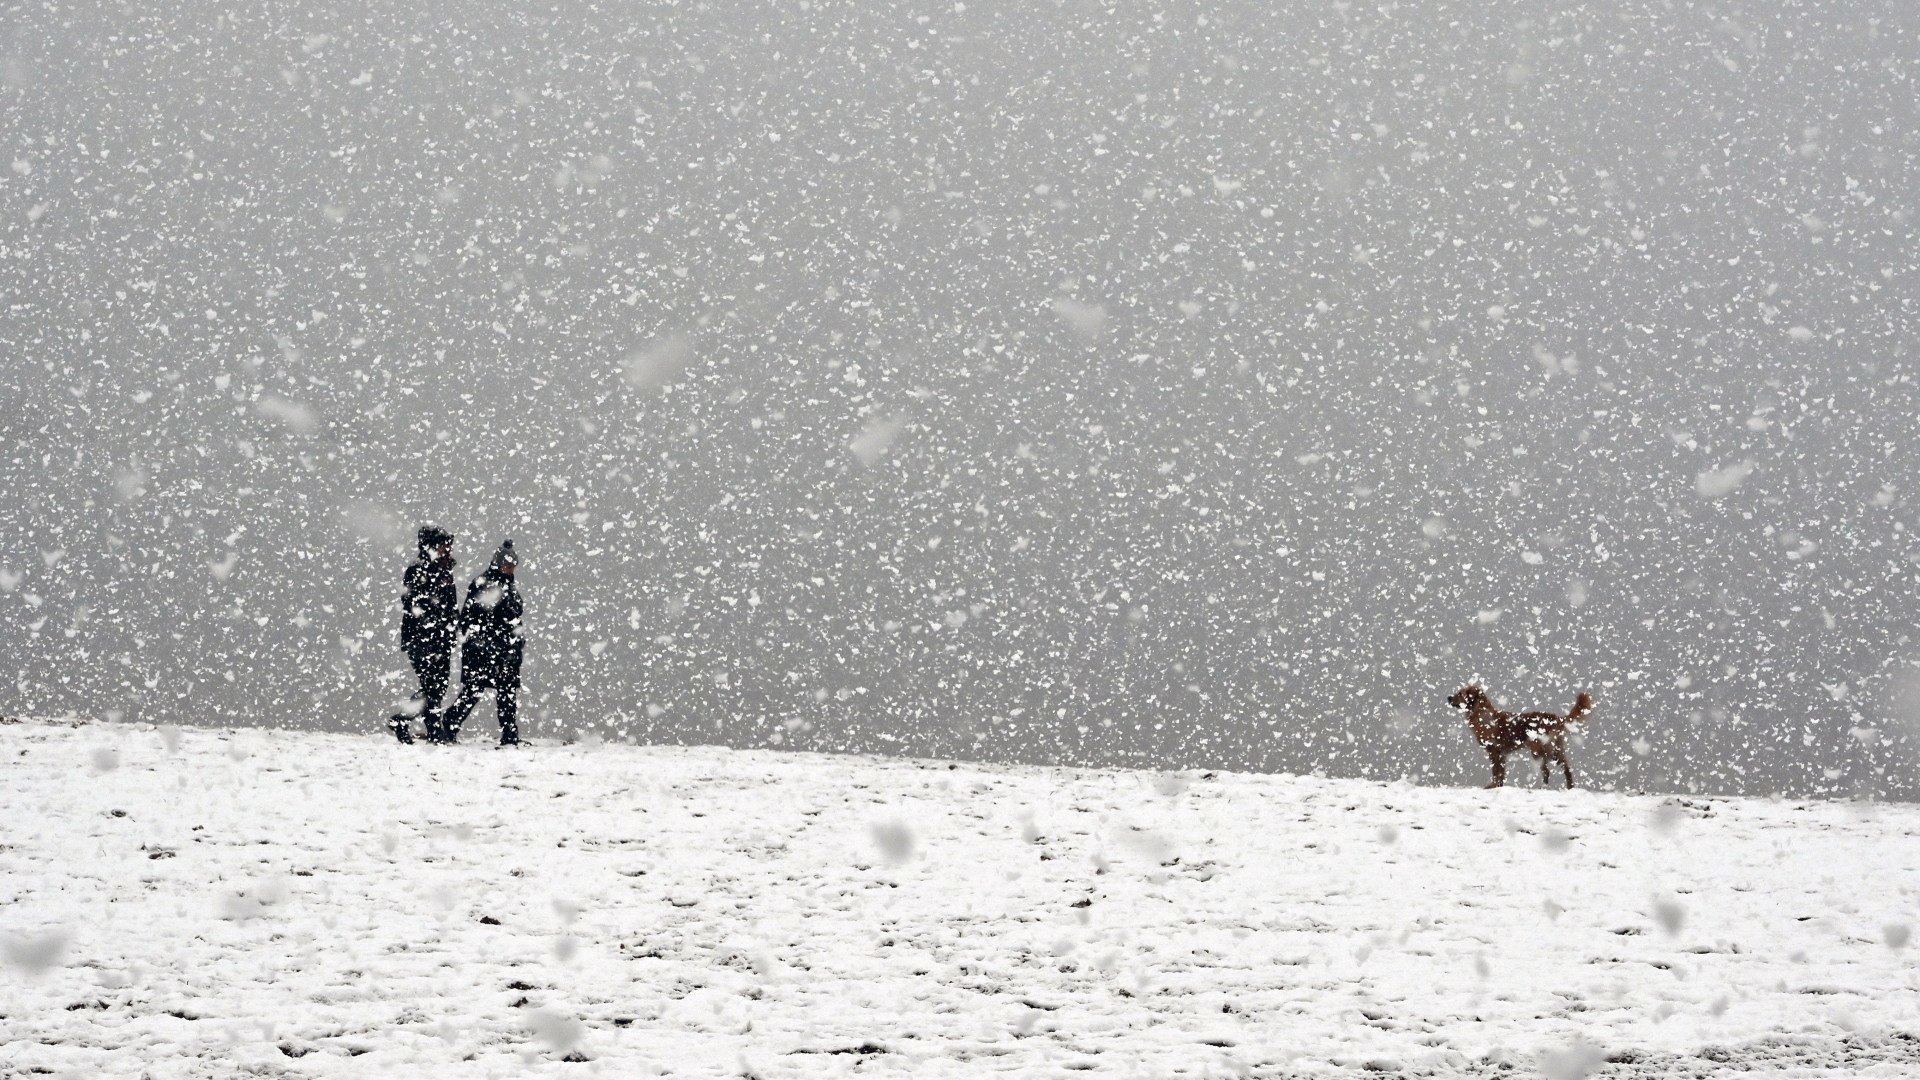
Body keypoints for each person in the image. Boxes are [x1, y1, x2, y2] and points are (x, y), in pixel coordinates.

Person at [440, 539, 525, 746]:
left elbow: (510, 615)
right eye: (507, 565)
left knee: (504, 693)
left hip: (502, 650)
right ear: (498, 564)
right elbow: (473, 618)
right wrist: (489, 641)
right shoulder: (484, 584)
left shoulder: (504, 584)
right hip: (485, 649)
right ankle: (450, 724)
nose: (510, 569)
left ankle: (509, 736)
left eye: (512, 566)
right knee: (475, 691)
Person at [392, 525, 457, 744]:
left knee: (438, 686)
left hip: (440, 640)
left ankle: (419, 726)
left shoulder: (444, 570)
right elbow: (412, 603)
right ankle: (415, 724)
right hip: (422, 640)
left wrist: (451, 628)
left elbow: (450, 606)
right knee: (433, 686)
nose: (447, 548)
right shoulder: (417, 570)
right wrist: (435, 621)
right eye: (443, 544)